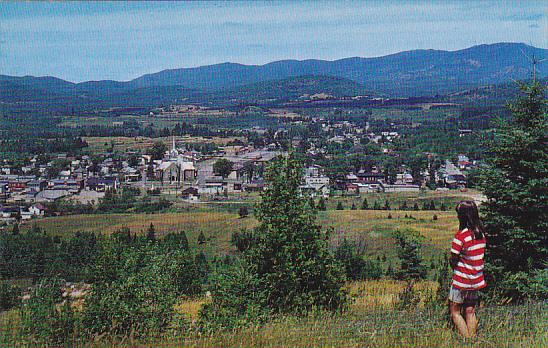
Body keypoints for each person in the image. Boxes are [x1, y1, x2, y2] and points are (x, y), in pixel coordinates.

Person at [448, 200, 486, 338]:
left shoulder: (461, 236)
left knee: (455, 311)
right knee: (470, 310)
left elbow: (453, 258)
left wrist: (455, 266)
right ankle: (473, 339)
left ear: (463, 216)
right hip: (476, 279)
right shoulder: (480, 234)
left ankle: (467, 340)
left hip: (461, 280)